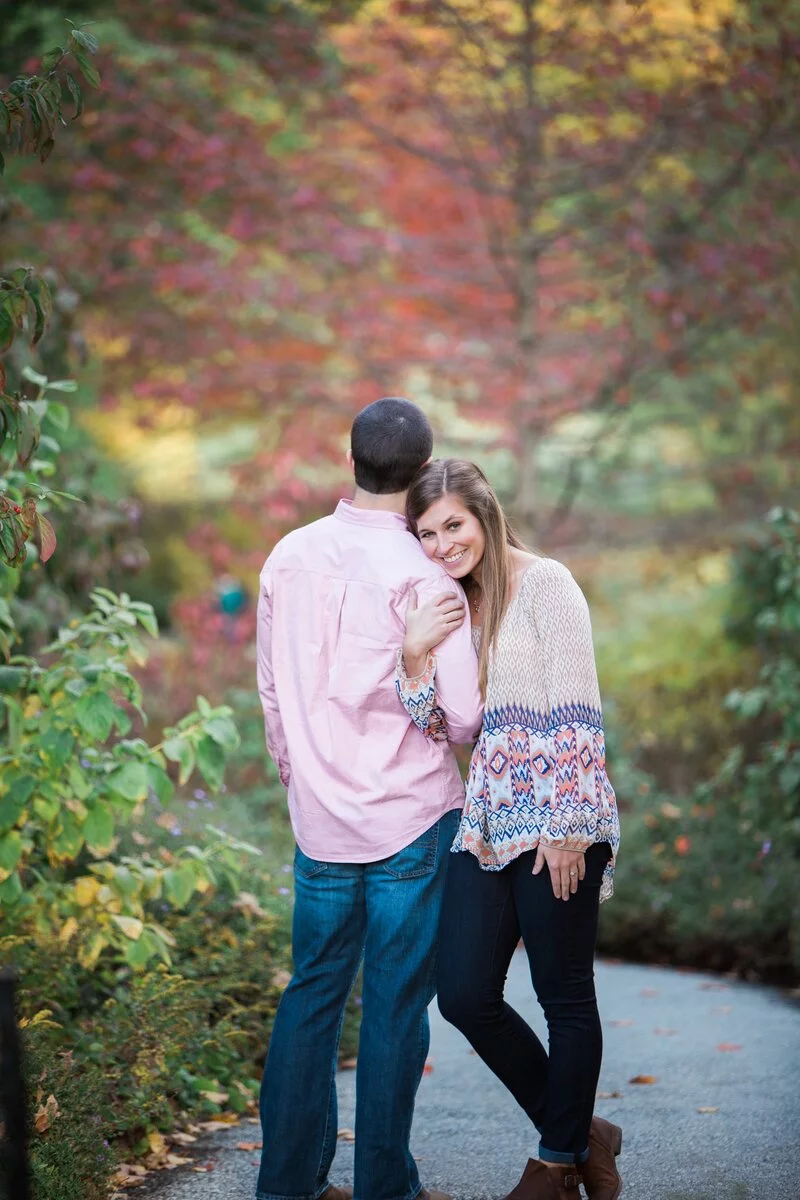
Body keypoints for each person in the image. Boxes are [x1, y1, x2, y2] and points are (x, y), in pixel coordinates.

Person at [255, 401, 482, 1200]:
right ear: (423, 473)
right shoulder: (427, 576)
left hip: (319, 821)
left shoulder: (288, 554)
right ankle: (387, 1187)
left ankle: (285, 1185)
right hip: (410, 818)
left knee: (311, 995)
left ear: (351, 460)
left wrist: (300, 772)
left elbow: (272, 690)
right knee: (392, 1008)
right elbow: (463, 719)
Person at [395, 459, 622, 1200]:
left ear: (485, 511)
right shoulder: (459, 603)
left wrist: (568, 829)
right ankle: (584, 1131)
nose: (440, 544)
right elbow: (444, 728)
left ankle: (556, 1162)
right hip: (489, 820)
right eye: (426, 533)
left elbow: (578, 709)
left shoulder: (548, 584)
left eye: (452, 525)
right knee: (462, 992)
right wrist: (414, 653)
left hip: (560, 817)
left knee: (564, 995)